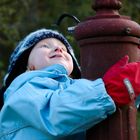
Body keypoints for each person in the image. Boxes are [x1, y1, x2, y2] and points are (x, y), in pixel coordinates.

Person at [0, 28, 140, 140]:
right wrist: (107, 90)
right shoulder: (24, 88)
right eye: (44, 46)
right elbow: (54, 113)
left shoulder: (77, 89)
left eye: (64, 48)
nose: (58, 49)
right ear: (28, 66)